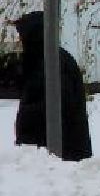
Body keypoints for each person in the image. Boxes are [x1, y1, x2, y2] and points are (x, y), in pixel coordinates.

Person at [12, 11, 92, 162]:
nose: (20, 42)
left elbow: (59, 104)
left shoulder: (55, 63)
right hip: (47, 153)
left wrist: (28, 118)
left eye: (23, 36)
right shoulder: (41, 59)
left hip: (62, 156)